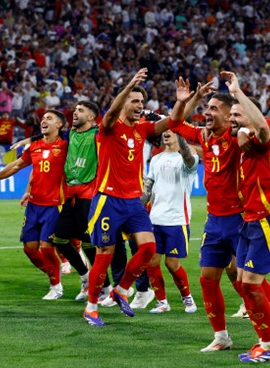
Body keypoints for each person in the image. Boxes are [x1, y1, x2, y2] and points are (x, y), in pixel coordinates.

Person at [83, 68, 168, 327]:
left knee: (149, 248)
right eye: (134, 101)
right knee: (105, 253)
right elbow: (110, 113)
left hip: (133, 201)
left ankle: (121, 290)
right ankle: (91, 307)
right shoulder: (108, 127)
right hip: (108, 199)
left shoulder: (141, 129)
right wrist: (129, 83)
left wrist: (189, 100)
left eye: (142, 102)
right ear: (123, 104)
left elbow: (171, 123)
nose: (140, 106)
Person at [169, 81, 248, 351]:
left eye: (213, 108)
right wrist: (187, 100)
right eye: (206, 107)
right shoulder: (204, 137)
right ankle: (222, 337)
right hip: (214, 220)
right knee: (207, 279)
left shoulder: (239, 138)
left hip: (240, 218)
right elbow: (176, 123)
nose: (207, 112)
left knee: (248, 282)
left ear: (229, 116)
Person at [223, 71, 270, 363]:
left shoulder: (263, 140)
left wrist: (237, 92)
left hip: (268, 218)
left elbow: (262, 125)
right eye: (231, 115)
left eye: (237, 114)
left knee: (250, 284)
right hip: (249, 220)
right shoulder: (242, 143)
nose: (232, 118)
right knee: (245, 282)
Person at [12, 100, 102, 301]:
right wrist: (28, 189)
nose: (75, 113)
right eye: (43, 118)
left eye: (49, 118)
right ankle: (85, 277)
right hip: (45, 201)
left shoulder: (79, 138)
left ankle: (100, 285)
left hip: (71, 198)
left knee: (77, 242)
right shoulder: (63, 137)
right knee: (37, 247)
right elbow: (35, 168)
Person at [0, 110, 68, 300]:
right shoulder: (34, 147)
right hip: (34, 205)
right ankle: (52, 274)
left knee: (47, 246)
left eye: (50, 118)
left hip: (55, 205)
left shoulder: (66, 146)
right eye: (43, 118)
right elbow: (15, 166)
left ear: (59, 125)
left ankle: (56, 285)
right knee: (30, 249)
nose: (44, 120)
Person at [142, 128, 199, 314]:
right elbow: (148, 185)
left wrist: (183, 141)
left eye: (172, 131)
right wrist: (139, 204)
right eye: (165, 130)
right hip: (155, 219)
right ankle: (162, 302)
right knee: (151, 262)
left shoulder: (188, 157)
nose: (167, 133)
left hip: (177, 219)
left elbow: (189, 161)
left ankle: (187, 298)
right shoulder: (156, 159)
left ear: (179, 135)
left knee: (172, 264)